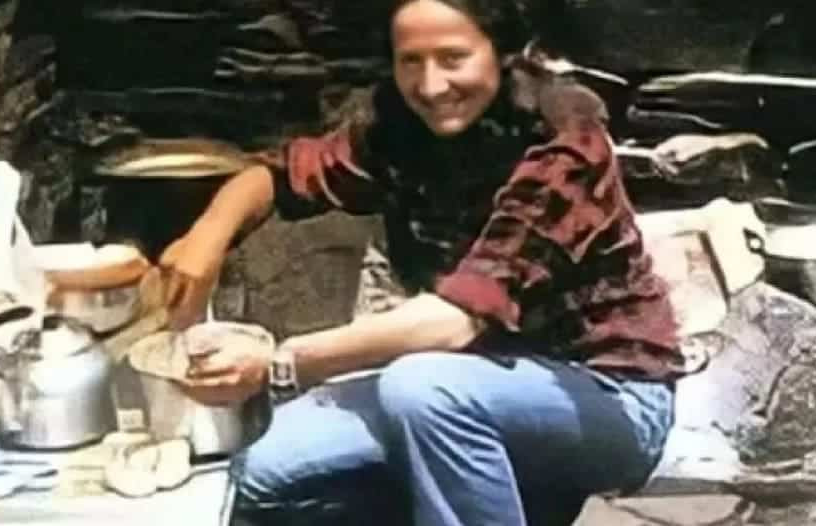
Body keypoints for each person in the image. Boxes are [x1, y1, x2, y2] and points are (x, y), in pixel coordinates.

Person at [158, 0, 687, 524]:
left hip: (607, 394)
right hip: (473, 378)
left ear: (503, 53)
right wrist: (206, 238)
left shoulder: (562, 143)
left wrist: (280, 364)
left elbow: (455, 320)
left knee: (421, 390)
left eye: (454, 58)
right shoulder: (400, 126)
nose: (431, 86)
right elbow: (279, 174)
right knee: (265, 468)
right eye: (411, 61)